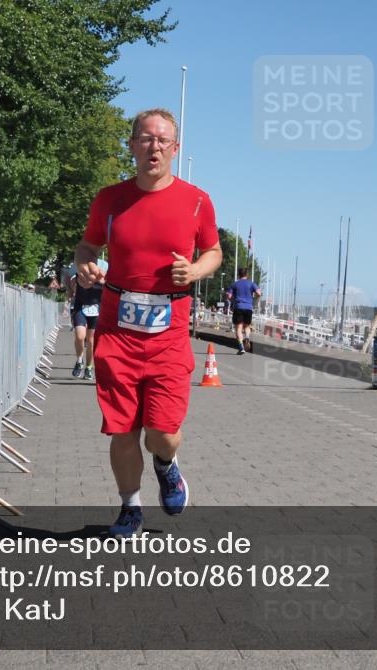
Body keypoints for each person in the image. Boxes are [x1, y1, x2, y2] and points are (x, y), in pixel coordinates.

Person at [75, 108, 222, 537]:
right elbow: (87, 246)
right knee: (121, 429)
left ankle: (166, 463)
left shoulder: (197, 200)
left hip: (169, 331)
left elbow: (213, 252)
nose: (153, 147)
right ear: (132, 145)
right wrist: (85, 265)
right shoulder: (110, 199)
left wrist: (195, 271)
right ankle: (130, 507)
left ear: (175, 149)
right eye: (145, 138)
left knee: (162, 431)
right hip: (117, 330)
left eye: (162, 140)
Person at [70, 259, 108, 379]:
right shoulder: (79, 271)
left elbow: (108, 286)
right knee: (80, 336)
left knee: (91, 341)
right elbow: (71, 283)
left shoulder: (103, 273)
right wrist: (73, 290)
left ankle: (88, 367)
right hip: (80, 307)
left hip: (96, 309)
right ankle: (79, 361)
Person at [226, 268, 261, 354]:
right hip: (248, 307)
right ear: (247, 274)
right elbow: (259, 293)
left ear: (239, 275)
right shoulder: (251, 284)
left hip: (238, 307)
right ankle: (247, 337)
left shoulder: (234, 284)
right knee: (247, 326)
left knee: (239, 327)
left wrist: (233, 301)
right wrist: (254, 299)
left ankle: (241, 347)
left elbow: (229, 296)